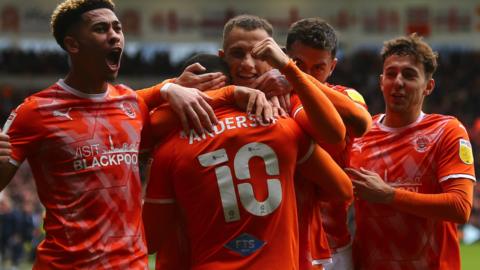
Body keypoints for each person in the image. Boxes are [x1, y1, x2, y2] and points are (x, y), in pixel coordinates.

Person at [0, 0, 260, 268]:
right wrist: (168, 88)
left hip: (132, 264)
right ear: (73, 44)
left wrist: (178, 88)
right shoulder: (34, 112)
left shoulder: (131, 104)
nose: (114, 35)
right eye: (101, 29)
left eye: (117, 28)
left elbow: (159, 100)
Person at [143, 52, 353, 270]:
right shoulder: (281, 125)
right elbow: (343, 189)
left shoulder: (169, 150)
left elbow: (150, 241)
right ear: (232, 83)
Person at [346, 33, 476, 269]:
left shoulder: (446, 131)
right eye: (391, 73)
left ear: (428, 86)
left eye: (409, 74)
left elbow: (460, 207)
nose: (398, 82)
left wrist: (390, 195)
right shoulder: (359, 135)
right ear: (381, 81)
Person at [285, 18, 371, 270]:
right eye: (299, 64)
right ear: (285, 57)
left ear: (332, 67)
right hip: (288, 243)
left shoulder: (346, 97)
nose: (308, 74)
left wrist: (295, 77)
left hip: (335, 245)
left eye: (318, 68)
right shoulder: (270, 99)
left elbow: (360, 121)